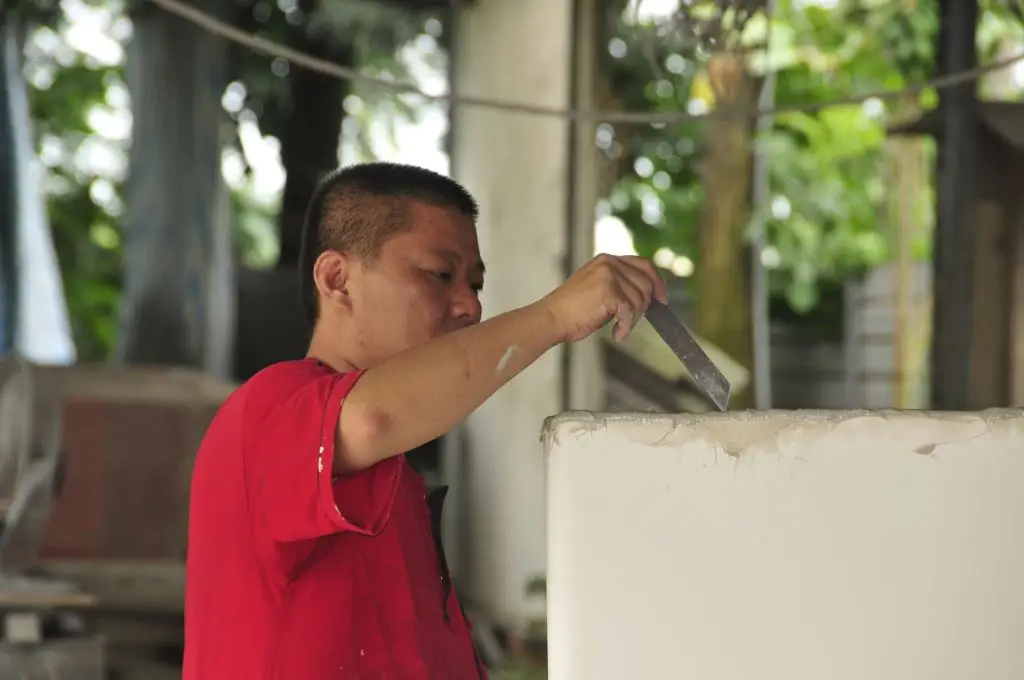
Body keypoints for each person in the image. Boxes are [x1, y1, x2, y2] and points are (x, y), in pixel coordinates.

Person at [182, 161, 667, 679]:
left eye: (475, 284)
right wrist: (552, 316)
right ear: (336, 278)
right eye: (440, 275)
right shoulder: (268, 406)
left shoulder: (397, 483)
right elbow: (371, 418)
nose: (470, 306)